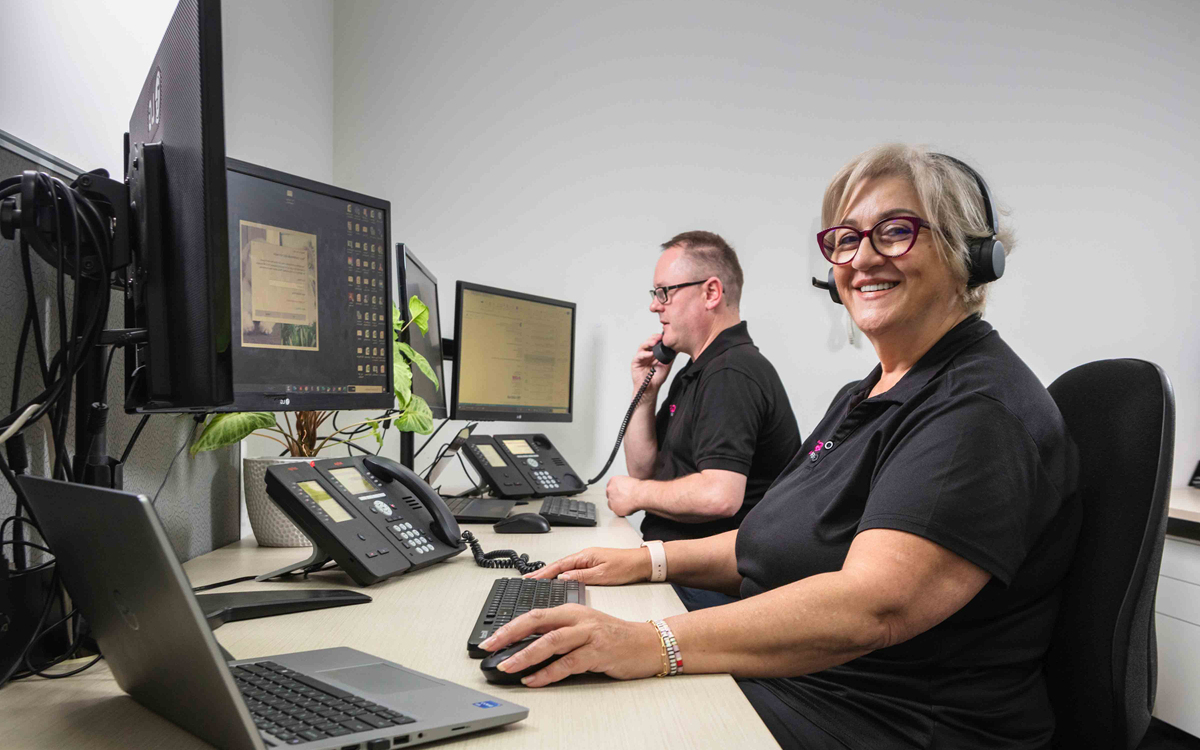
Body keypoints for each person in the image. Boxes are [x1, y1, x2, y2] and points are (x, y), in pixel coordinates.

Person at [478, 145, 1081, 749]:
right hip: (816, 679)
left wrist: (650, 642)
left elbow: (872, 607)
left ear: (970, 255)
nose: (862, 256)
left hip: (888, 716)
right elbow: (776, 537)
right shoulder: (863, 394)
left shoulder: (977, 409)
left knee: (577, 728)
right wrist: (648, 561)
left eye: (895, 232)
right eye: (844, 240)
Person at [609, 230, 802, 610]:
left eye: (664, 292)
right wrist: (644, 393)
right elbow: (644, 468)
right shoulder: (696, 370)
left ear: (711, 293)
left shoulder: (732, 372)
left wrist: (635, 495)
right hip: (680, 567)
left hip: (714, 585)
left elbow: (719, 496)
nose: (654, 306)